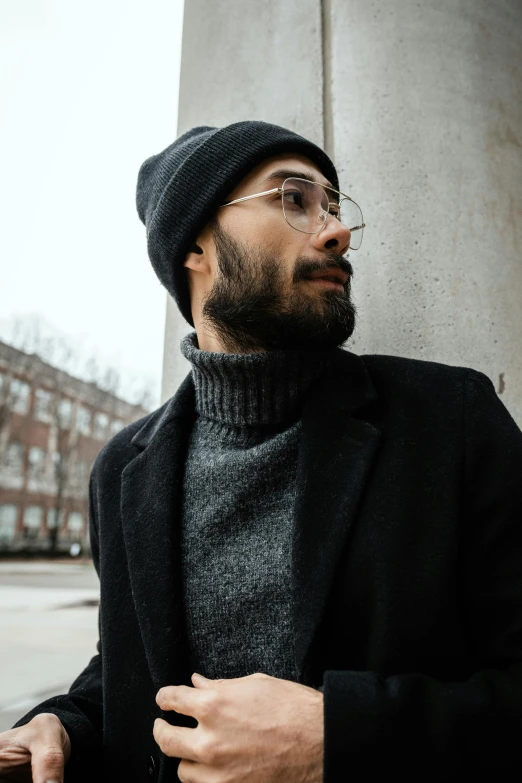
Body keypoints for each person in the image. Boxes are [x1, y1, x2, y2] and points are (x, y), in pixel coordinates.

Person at [1, 120, 522, 783]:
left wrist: (345, 739)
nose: (336, 231)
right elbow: (127, 672)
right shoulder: (122, 469)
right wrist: (65, 724)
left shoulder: (451, 422)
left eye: (333, 206)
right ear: (195, 241)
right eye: (294, 200)